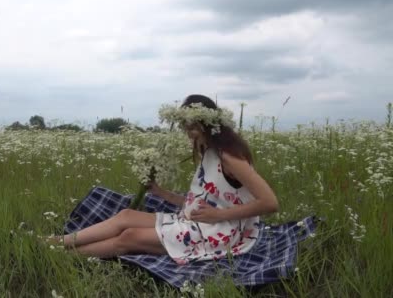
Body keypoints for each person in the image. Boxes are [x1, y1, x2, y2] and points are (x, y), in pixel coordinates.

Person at [51, 94, 279, 264]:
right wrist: (160, 192)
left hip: (221, 232)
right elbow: (201, 202)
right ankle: (56, 242)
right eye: (185, 126)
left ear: (208, 121)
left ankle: (63, 256)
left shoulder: (230, 157)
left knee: (129, 236)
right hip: (196, 221)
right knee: (126, 215)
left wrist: (219, 215)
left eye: (194, 126)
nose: (189, 132)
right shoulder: (207, 150)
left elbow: (270, 203)